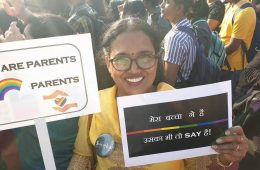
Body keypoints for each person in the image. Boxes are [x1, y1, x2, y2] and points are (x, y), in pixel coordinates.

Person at [68, 17, 249, 170]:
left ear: (157, 58)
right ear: (108, 62)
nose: (134, 70)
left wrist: (227, 155)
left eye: (145, 57)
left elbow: (199, 164)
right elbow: (82, 157)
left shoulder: (181, 106)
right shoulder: (96, 105)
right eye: (122, 59)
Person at [0, 14, 80, 170]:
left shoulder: (42, 95)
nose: (22, 47)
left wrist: (8, 58)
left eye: (26, 42)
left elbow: (10, 108)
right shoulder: (75, 83)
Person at [219, 0, 256, 92]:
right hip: (222, 65)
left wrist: (214, 55)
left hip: (233, 70)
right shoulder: (230, 6)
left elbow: (233, 46)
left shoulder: (245, 11)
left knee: (231, 103)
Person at [160, 0, 196, 88]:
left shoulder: (174, 38)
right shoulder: (189, 28)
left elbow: (169, 83)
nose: (161, 5)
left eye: (167, 2)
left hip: (177, 91)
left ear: (179, 8)